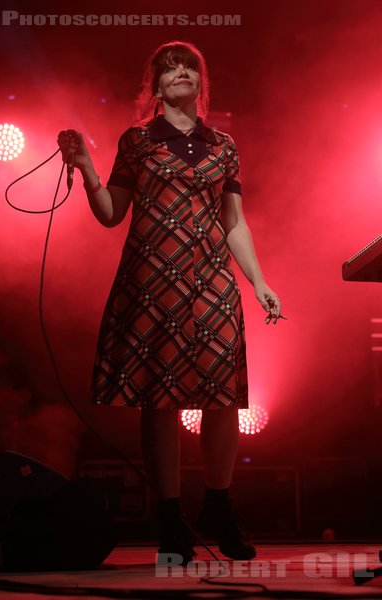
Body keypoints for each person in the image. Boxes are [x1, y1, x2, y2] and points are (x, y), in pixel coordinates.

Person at [57, 40, 284, 565]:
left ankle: (219, 508)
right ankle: (171, 521)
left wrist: (259, 281)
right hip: (151, 284)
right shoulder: (136, 140)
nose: (180, 73)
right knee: (158, 404)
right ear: (155, 86)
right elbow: (112, 212)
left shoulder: (223, 145)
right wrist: (88, 170)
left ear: (200, 83)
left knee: (223, 399)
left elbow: (235, 224)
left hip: (211, 284)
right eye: (169, 68)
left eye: (188, 67)